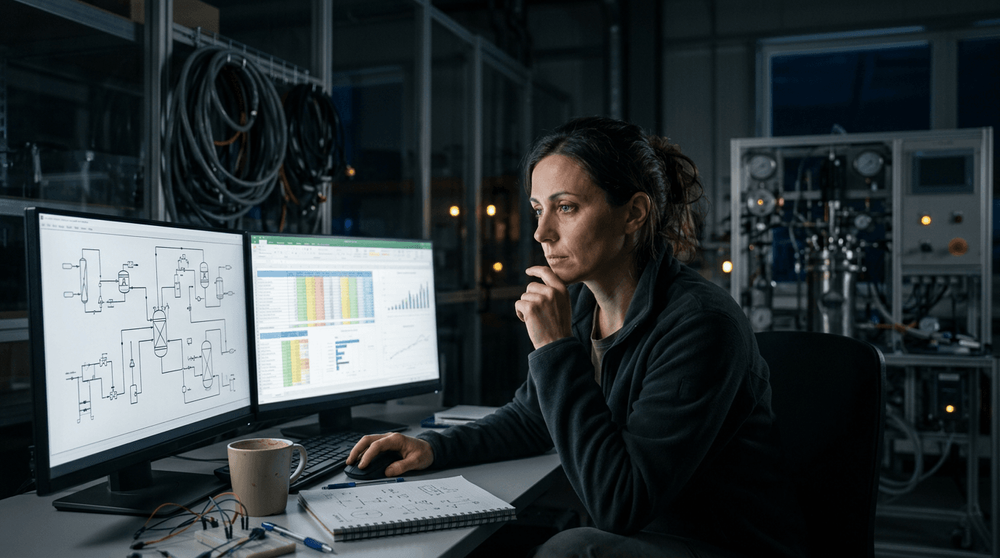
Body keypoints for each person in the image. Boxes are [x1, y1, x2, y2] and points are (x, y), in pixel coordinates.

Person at [347, 116, 806, 558]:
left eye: (566, 208)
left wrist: (553, 348)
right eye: (537, 209)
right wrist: (432, 448)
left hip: (718, 544)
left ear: (633, 214)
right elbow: (532, 419)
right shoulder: (585, 303)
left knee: (570, 550)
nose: (541, 232)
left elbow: (619, 504)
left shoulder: (700, 324)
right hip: (649, 534)